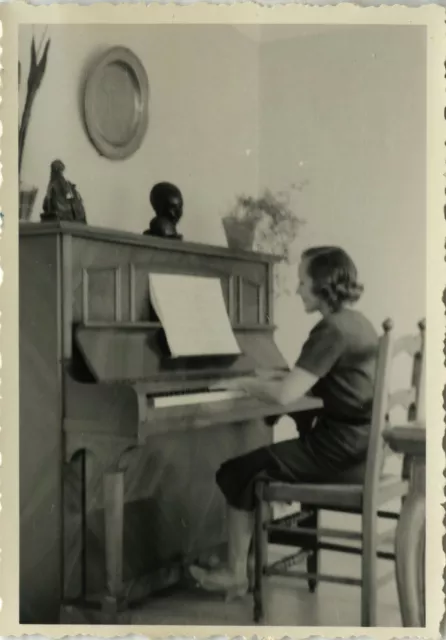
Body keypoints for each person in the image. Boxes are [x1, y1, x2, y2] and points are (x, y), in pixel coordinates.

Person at [189, 245, 379, 598]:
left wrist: (241, 383)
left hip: (338, 452)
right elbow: (310, 381)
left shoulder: (331, 330)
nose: (297, 290)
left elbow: (285, 395)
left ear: (323, 285)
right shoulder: (357, 323)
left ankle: (235, 573)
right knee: (251, 467)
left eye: (302, 282)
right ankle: (241, 561)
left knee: (238, 471)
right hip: (360, 448)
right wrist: (268, 378)